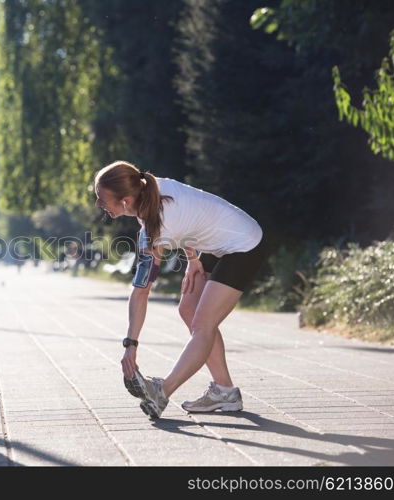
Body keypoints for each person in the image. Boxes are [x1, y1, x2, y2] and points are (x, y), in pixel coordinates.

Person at [94, 160, 266, 420]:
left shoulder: (154, 228)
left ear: (126, 201)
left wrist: (131, 344)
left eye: (102, 199)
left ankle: (162, 391)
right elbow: (190, 218)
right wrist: (193, 258)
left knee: (202, 324)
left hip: (244, 244)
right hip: (216, 243)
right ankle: (225, 391)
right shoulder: (150, 191)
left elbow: (141, 291)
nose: (99, 205)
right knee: (188, 309)